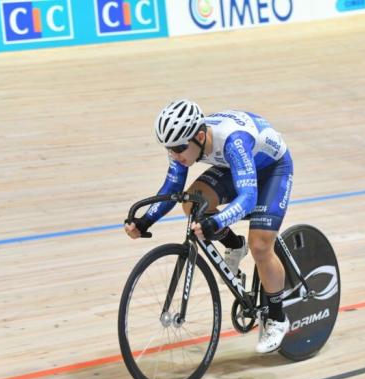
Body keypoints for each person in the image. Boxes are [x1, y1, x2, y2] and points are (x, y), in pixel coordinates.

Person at [124, 99, 293, 353]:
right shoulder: (185, 143)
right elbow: (173, 188)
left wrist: (218, 221)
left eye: (179, 148)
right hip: (236, 166)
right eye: (169, 149)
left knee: (260, 246)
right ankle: (235, 245)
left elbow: (247, 199)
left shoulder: (233, 141)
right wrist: (145, 221)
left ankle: (278, 318)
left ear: (200, 136)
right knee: (194, 205)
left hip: (272, 170)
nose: (174, 155)